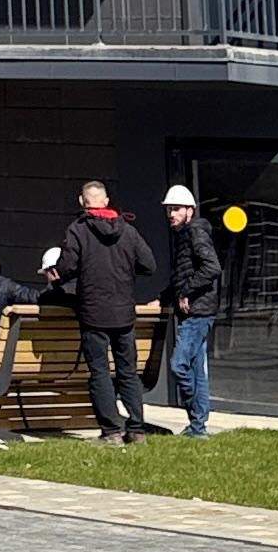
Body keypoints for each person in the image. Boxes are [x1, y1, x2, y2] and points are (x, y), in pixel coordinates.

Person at [49, 179, 163, 441]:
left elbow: (66, 268)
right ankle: (136, 429)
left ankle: (111, 431)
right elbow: (149, 265)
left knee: (100, 373)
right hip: (124, 313)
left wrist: (58, 277)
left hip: (93, 313)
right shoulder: (128, 230)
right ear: (107, 201)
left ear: (82, 202)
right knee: (128, 372)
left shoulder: (78, 230)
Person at [162, 182, 223, 437]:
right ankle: (198, 427)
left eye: (176, 209)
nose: (171, 214)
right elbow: (183, 275)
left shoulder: (195, 233)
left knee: (179, 365)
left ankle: (196, 416)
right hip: (195, 311)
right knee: (197, 370)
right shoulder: (185, 235)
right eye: (169, 209)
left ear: (190, 210)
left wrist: (186, 292)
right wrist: (165, 298)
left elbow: (212, 267)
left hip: (198, 312)